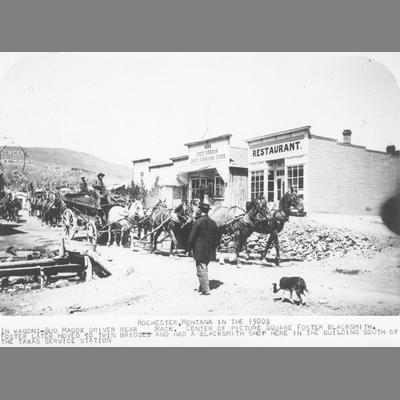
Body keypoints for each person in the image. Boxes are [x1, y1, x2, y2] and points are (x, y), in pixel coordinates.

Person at [188, 202, 218, 296]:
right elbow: (217, 238)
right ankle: (202, 287)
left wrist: (189, 248)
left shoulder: (198, 222)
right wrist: (213, 247)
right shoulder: (213, 223)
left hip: (199, 248)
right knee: (204, 267)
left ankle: (206, 290)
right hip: (210, 249)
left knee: (201, 269)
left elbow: (191, 237)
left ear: (200, 211)